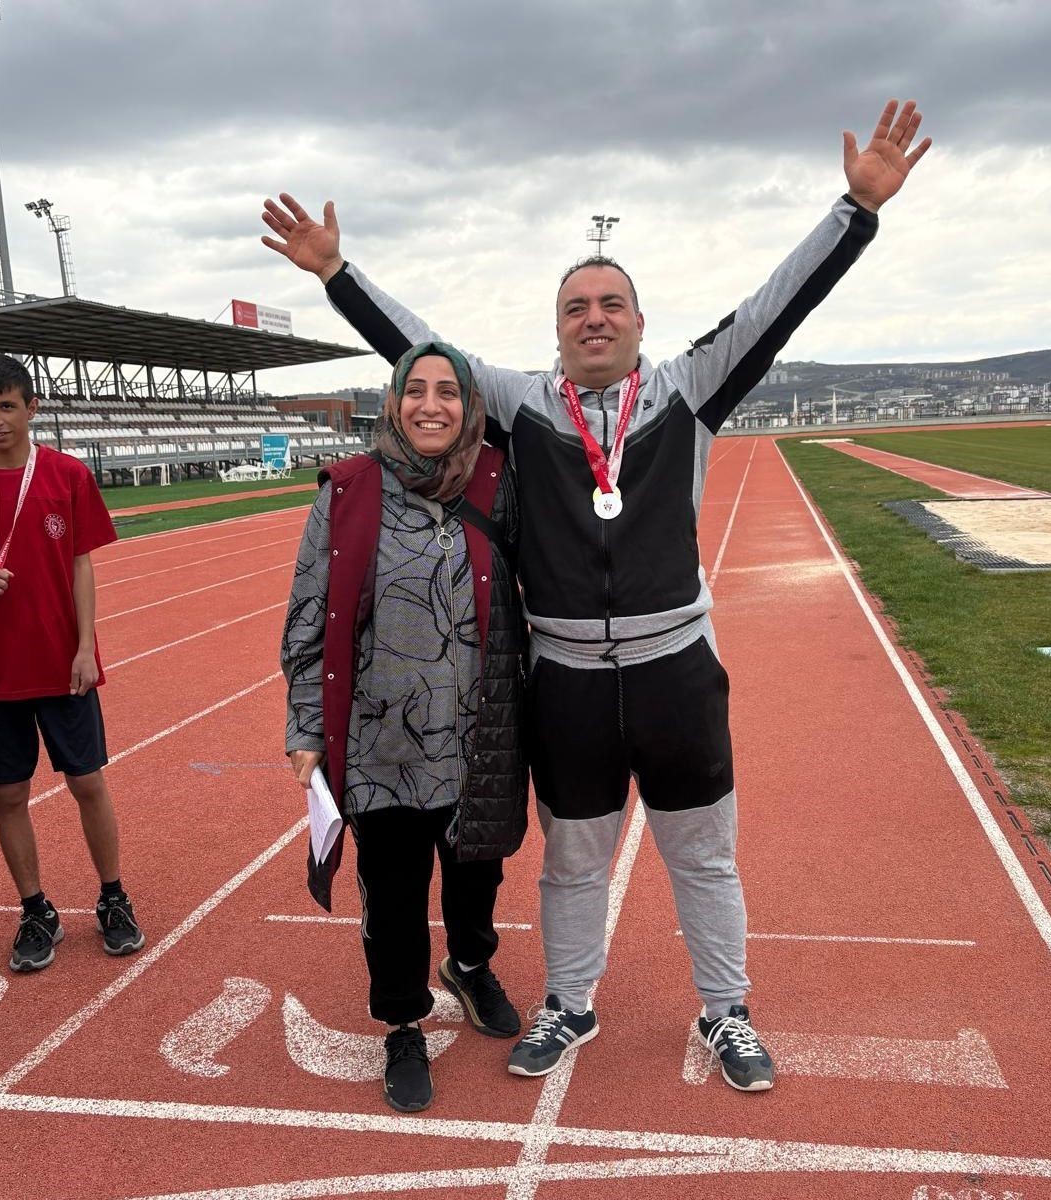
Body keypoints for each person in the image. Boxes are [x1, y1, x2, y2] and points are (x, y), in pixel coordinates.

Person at [264, 99, 931, 1093]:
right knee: (572, 864)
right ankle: (571, 1004)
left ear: (640, 322)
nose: (595, 318)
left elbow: (776, 307)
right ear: (558, 329)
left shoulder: (690, 388)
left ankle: (727, 1010)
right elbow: (425, 350)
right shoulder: (520, 404)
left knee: (704, 858)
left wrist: (856, 211)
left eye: (611, 304)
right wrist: (335, 275)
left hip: (675, 670)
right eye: (577, 307)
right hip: (568, 679)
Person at [281, 341, 528, 1113]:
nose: (430, 404)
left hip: (478, 733)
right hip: (381, 742)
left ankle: (470, 965)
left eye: (447, 391)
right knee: (393, 895)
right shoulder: (349, 490)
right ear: (392, 403)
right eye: (414, 389)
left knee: (478, 872)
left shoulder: (498, 481)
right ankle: (402, 1023)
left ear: (469, 406)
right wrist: (305, 727)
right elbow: (309, 617)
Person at [0, 353, 145, 972]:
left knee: (87, 782)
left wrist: (85, 647)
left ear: (32, 408)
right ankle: (35, 909)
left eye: (5, 406)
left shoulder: (67, 474)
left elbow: (80, 564)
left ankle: (113, 897)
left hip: (61, 663)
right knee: (8, 793)